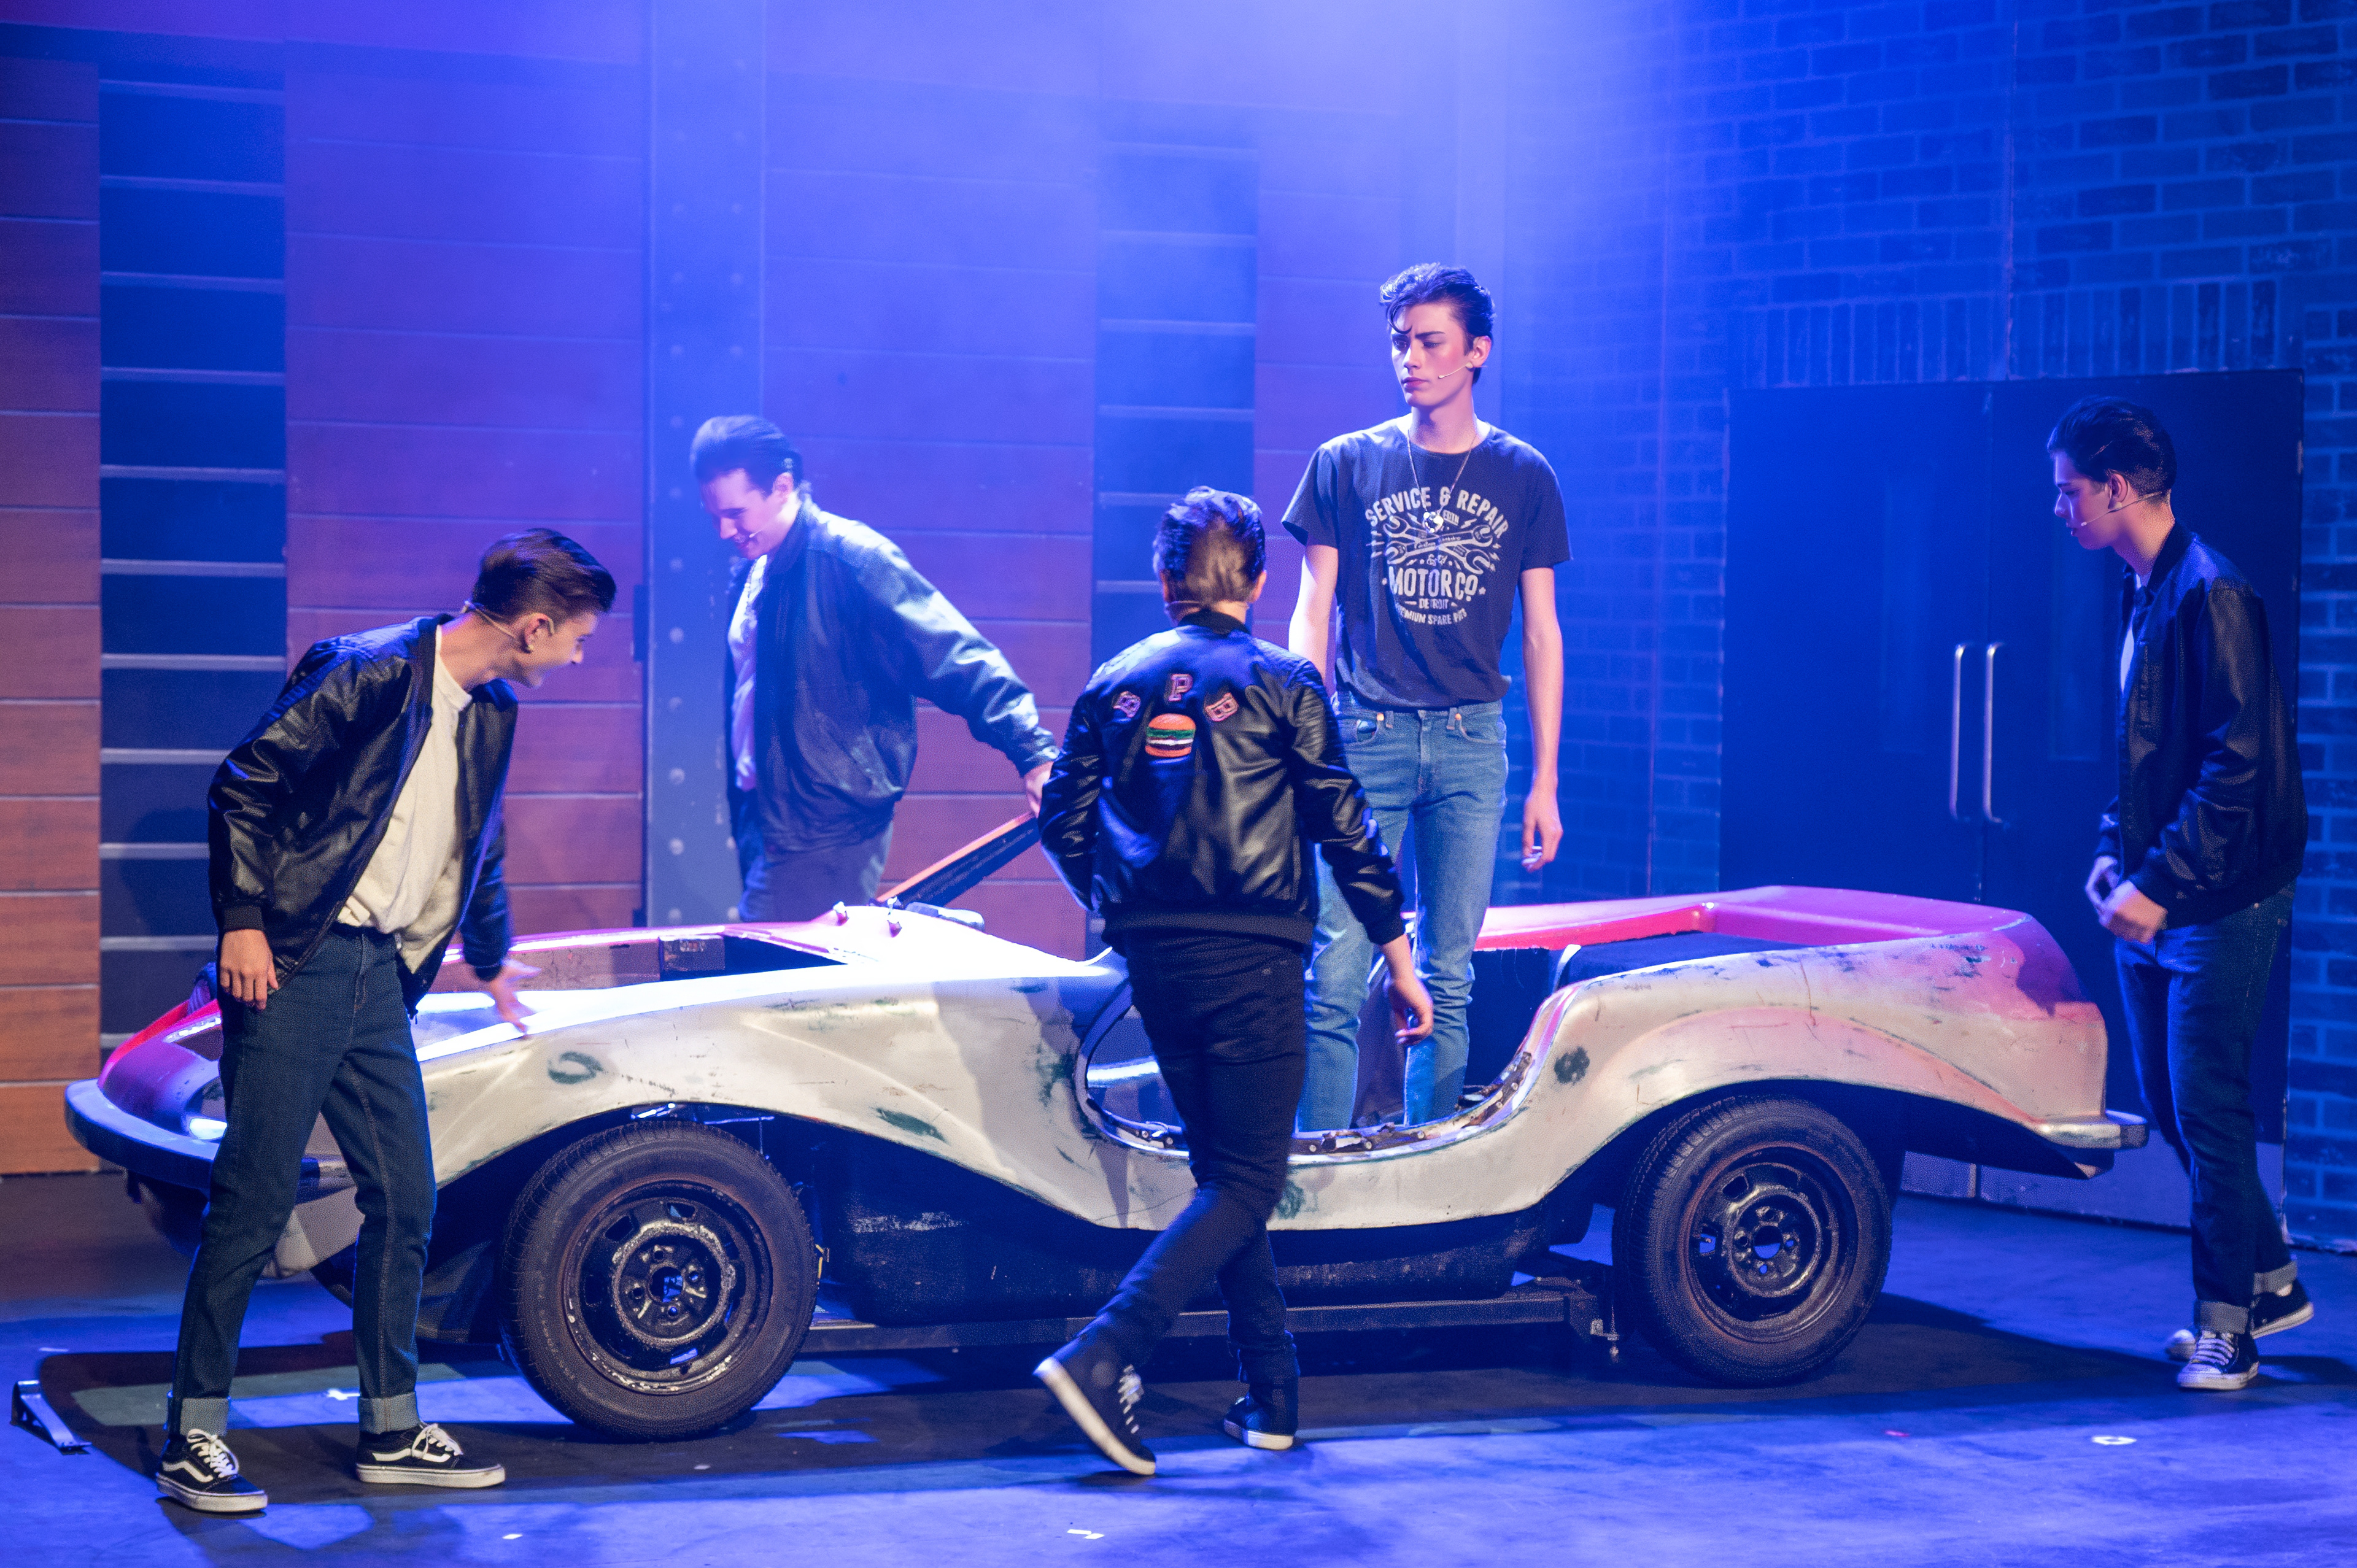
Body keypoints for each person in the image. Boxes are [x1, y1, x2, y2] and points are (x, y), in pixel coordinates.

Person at [160, 531, 614, 1512]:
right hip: (298, 961)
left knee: (406, 1198)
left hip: (381, 976)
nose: (580, 656)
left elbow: (479, 845)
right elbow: (245, 783)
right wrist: (243, 921)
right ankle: (192, 1432)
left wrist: (492, 959)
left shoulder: (491, 713)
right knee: (253, 1200)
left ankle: (392, 1425)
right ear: (535, 626)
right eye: (579, 637)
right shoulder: (369, 671)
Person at [1034, 487, 1433, 1473]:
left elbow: (1062, 818)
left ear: (1165, 578)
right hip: (1255, 956)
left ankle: (1273, 1394)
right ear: (1256, 580)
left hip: (1158, 958)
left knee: (1227, 1176)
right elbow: (1346, 827)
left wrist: (1125, 901)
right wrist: (1398, 956)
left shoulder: (1115, 682)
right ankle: (1106, 1350)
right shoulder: (1287, 681)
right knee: (1251, 1179)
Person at [2057, 396, 2312, 1391]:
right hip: (2163, 883)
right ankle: (2271, 1282)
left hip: (2222, 894)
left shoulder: (2213, 593)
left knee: (2208, 1106)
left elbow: (2235, 767)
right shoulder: (2145, 588)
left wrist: (2157, 882)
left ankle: (2227, 1329)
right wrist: (2112, 848)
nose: (2062, 509)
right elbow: (2146, 753)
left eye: (2070, 491)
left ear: (2116, 487)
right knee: (2173, 1105)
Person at [1284, 263, 1568, 1130]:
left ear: (1477, 351)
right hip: (1364, 734)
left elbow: (1543, 632)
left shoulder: (1522, 473)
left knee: (1450, 974)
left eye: (1429, 341)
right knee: (1335, 970)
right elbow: (1311, 612)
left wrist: (1546, 780)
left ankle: (1426, 1169)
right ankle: (1319, 1168)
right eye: (1400, 342)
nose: (1409, 358)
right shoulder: (1346, 463)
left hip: (1472, 741)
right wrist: (1305, 740)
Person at [694, 415, 1058, 919]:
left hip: (827, 823)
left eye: (736, 513)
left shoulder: (851, 559)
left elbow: (957, 656)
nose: (724, 530)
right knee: (779, 963)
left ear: (782, 487)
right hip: (768, 816)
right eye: (714, 515)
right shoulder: (757, 568)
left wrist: (1034, 754)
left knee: (770, 963)